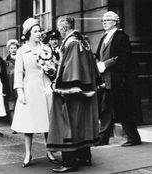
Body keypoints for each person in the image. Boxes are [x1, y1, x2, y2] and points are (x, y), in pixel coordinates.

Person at [47, 15, 99, 173]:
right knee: (81, 123)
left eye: (59, 27)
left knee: (67, 123)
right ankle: (84, 156)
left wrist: (60, 87)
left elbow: (71, 67)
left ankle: (69, 162)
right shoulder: (82, 40)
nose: (59, 31)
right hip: (85, 88)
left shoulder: (71, 42)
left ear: (64, 27)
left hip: (73, 90)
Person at [11, 18, 58, 167]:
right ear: (29, 34)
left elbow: (53, 70)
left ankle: (49, 150)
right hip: (29, 87)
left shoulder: (46, 48)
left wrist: (49, 69)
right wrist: (20, 92)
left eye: (40, 30)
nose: (39, 33)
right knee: (29, 124)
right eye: (36, 31)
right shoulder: (21, 50)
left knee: (48, 121)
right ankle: (28, 153)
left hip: (45, 86)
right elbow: (18, 73)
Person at [95, 11, 142, 146]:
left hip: (119, 79)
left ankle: (134, 138)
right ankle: (102, 138)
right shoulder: (103, 37)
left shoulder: (122, 37)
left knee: (124, 109)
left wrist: (105, 64)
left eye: (107, 20)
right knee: (106, 110)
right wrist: (98, 63)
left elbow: (123, 57)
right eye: (103, 20)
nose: (104, 22)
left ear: (115, 21)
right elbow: (99, 54)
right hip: (106, 79)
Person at [5, 39, 19, 127]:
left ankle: (20, 124)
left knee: (19, 105)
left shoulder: (20, 58)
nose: (13, 50)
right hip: (10, 85)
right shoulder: (5, 61)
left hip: (19, 84)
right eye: (11, 48)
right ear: (9, 49)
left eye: (15, 48)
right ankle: (14, 124)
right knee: (11, 105)